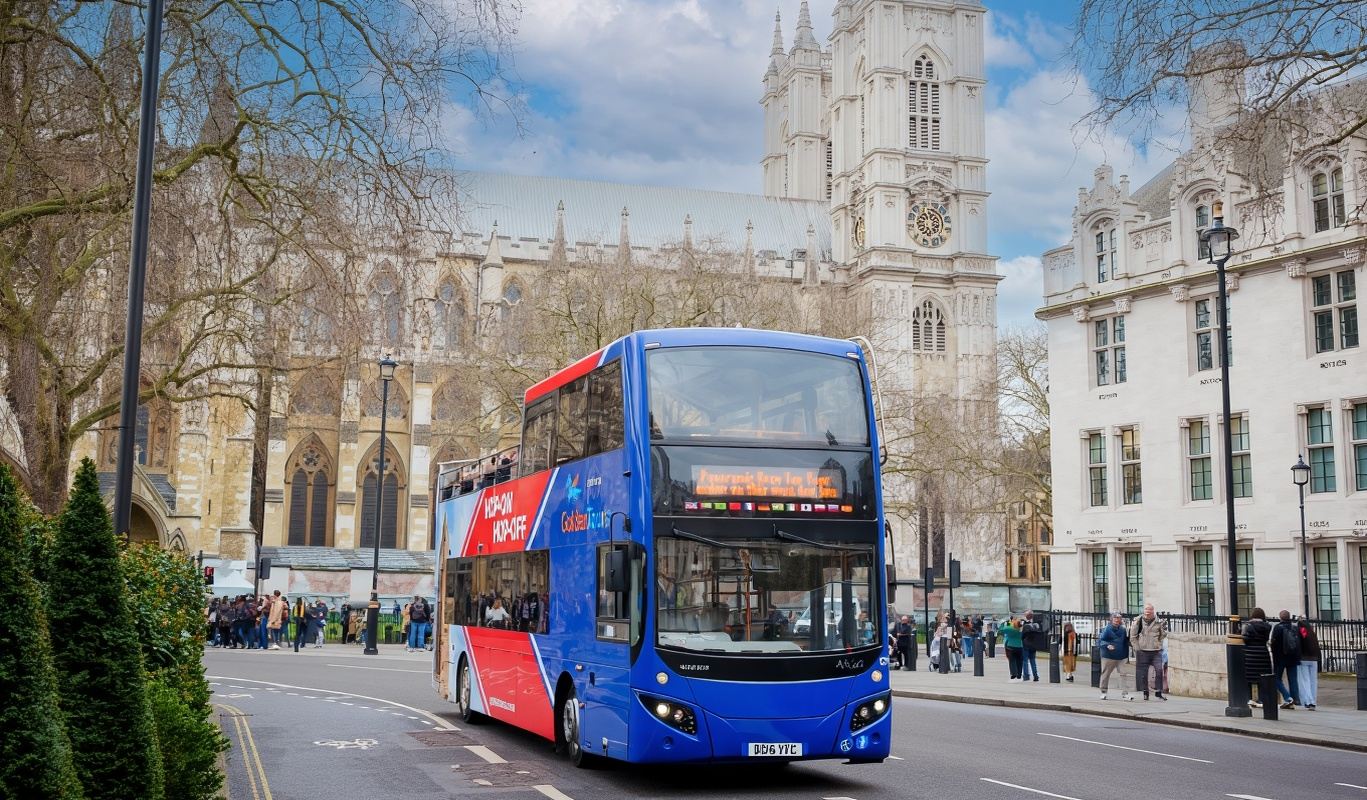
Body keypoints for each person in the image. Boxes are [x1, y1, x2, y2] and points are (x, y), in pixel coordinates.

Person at [1129, 603, 1167, 700]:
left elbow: (1163, 635)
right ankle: (1145, 692)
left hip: (1156, 651)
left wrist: (1158, 642)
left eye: (1150, 610)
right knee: (1144, 673)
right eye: (1146, 610)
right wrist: (1137, 648)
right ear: (1144, 611)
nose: (1148, 612)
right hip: (1143, 651)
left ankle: (1158, 692)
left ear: (1153, 611)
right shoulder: (1138, 621)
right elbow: (1133, 636)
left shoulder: (1159, 621)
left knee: (1159, 671)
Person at [1098, 612, 1134, 701]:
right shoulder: (1107, 629)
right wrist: (1107, 645)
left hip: (1121, 656)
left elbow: (1125, 641)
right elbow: (1101, 640)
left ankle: (1125, 693)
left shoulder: (1123, 629)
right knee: (1105, 674)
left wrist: (1132, 643)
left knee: (1123, 674)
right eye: (1115, 618)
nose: (1117, 620)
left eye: (1119, 618)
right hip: (1108, 656)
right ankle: (1103, 692)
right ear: (1111, 619)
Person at [1241, 608, 1273, 708]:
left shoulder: (1248, 626)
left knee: (1248, 678)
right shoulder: (1267, 627)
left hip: (1250, 654)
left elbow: (1245, 639)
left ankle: (1249, 698)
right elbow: (1267, 639)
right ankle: (1261, 700)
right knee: (1262, 678)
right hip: (1263, 654)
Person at [1270, 610, 1301, 710]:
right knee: (1293, 679)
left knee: (1276, 679)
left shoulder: (1278, 627)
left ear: (1280, 617)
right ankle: (1295, 699)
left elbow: (1274, 643)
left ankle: (1288, 697)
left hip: (1280, 658)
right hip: (1293, 657)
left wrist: (1274, 654)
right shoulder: (1294, 627)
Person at [1296, 619, 1321, 710]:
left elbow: (1299, 644)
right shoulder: (1312, 633)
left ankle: (1309, 701)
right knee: (1313, 681)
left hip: (1304, 658)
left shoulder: (1302, 631)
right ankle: (1313, 700)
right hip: (1314, 659)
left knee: (1305, 681)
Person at [1020, 611, 1045, 682]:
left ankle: (1026, 676)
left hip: (1026, 644)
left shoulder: (1025, 625)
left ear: (1026, 616)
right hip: (1033, 645)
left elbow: (1022, 635)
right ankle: (1035, 675)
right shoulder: (1036, 625)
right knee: (1033, 660)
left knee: (1025, 661)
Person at [1001, 617, 1023, 681]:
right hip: (1019, 646)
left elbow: (1002, 630)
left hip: (1010, 645)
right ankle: (1019, 674)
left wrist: (1007, 622)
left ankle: (1013, 673)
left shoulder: (1010, 628)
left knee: (1012, 661)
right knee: (1019, 661)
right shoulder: (1021, 629)